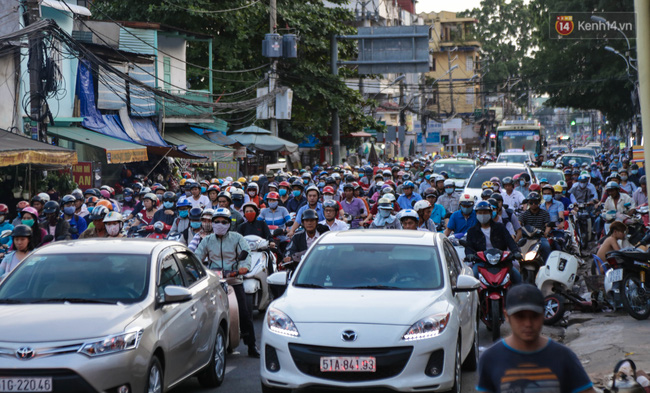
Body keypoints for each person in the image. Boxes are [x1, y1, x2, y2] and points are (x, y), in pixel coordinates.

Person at [477, 284, 596, 393]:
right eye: (520, 317)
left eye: (534, 316)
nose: (528, 323)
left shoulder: (564, 357)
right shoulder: (490, 359)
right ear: (507, 316)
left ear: (543, 314)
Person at [193, 207, 259, 358]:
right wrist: (198, 268)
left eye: (224, 221)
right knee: (205, 314)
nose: (220, 224)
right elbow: (197, 257)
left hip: (234, 280)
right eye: (216, 221)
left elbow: (246, 253)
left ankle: (251, 346)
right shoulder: (207, 240)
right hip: (214, 282)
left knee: (244, 313)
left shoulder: (237, 238)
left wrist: (243, 268)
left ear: (229, 223)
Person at [465, 201, 522, 284]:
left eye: (485, 212)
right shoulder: (472, 231)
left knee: (517, 277)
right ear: (476, 214)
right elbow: (468, 247)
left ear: (490, 213)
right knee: (472, 276)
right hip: (481, 262)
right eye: (480, 213)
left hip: (501, 261)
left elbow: (510, 241)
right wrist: (469, 255)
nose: (483, 215)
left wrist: (516, 252)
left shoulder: (500, 227)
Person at [518, 192, 552, 262]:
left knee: (546, 246)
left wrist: (546, 233)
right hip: (527, 238)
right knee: (517, 248)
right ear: (528, 203)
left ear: (539, 202)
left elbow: (548, 225)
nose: (533, 204)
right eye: (531, 202)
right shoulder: (524, 214)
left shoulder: (544, 213)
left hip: (540, 237)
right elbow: (518, 224)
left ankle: (547, 266)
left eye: (535, 202)